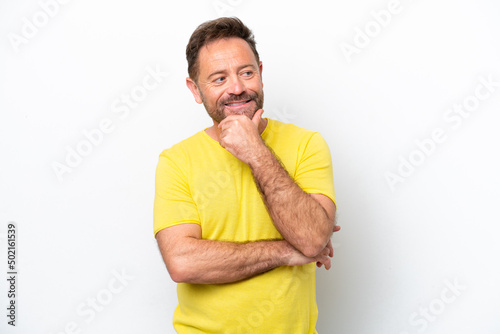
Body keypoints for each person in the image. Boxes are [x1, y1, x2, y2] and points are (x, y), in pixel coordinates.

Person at [154, 17, 339, 333]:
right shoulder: (176, 161)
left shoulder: (307, 144)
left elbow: (311, 238)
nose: (237, 88)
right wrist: (285, 251)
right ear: (195, 90)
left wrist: (256, 153)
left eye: (246, 72)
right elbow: (182, 262)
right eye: (219, 79)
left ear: (262, 74)